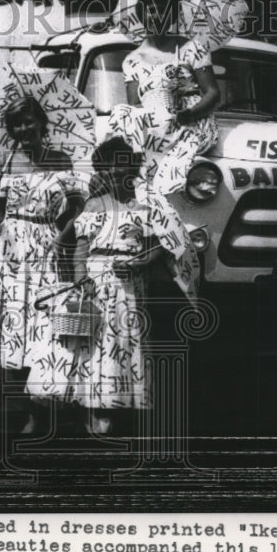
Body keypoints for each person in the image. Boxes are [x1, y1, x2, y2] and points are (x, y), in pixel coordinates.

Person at [65, 137, 200, 435]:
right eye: (106, 166)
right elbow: (81, 249)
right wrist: (80, 279)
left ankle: (120, 405)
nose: (114, 171)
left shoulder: (146, 206)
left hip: (130, 287)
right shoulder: (93, 205)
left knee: (125, 344)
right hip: (96, 284)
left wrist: (140, 263)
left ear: (131, 167)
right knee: (96, 345)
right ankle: (94, 407)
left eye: (119, 164)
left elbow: (158, 247)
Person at [0, 96, 86, 434]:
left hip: (46, 248)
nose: (23, 129)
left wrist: (62, 236)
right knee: (13, 329)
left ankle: (40, 413)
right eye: (16, 124)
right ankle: (25, 411)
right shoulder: (6, 162)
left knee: (43, 330)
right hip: (9, 253)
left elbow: (78, 209)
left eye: (29, 122)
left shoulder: (60, 161)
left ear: (41, 123)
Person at [108, 0, 221, 195]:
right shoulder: (132, 60)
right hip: (154, 127)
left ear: (172, 15)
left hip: (190, 122)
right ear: (141, 16)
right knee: (123, 115)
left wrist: (189, 114)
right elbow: (136, 105)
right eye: (150, 10)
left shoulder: (192, 49)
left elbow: (213, 93)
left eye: (163, 10)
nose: (156, 16)